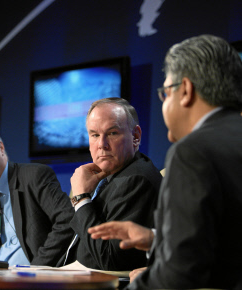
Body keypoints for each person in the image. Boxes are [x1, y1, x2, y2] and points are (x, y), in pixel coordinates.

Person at [88, 35, 242, 289]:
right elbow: (227, 243)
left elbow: (182, 271)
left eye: (165, 93)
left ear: (186, 91)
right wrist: (156, 239)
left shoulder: (193, 151)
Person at [59, 98, 162, 270]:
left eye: (112, 133)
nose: (102, 145)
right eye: (95, 135)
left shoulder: (136, 180)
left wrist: (81, 199)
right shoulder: (109, 177)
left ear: (135, 136)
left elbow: (109, 260)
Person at [0, 121, 73, 267]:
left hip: (29, 276)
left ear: (1, 148)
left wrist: (37, 269)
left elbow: (67, 221)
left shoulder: (34, 176)